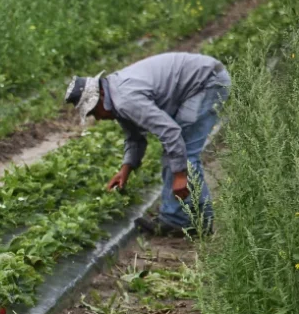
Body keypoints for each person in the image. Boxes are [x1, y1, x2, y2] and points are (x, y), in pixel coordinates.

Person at [65, 52, 230, 236]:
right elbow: (134, 137)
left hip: (207, 83)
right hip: (201, 82)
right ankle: (190, 220)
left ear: (101, 96)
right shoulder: (115, 95)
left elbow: (170, 132)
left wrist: (180, 175)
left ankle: (185, 221)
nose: (98, 118)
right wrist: (125, 169)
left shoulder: (126, 99)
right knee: (176, 153)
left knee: (184, 151)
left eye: (94, 111)